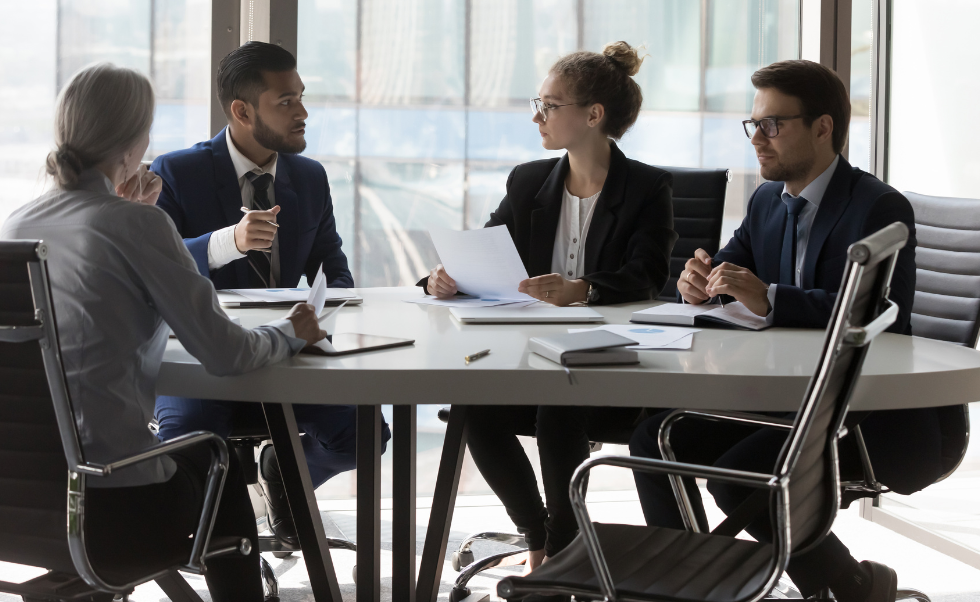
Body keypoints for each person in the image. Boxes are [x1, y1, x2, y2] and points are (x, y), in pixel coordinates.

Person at [1, 63, 326, 602]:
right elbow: (225, 353)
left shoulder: (18, 225)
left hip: (23, 504)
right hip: (112, 506)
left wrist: (133, 217)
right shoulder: (136, 225)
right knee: (215, 462)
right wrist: (290, 331)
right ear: (134, 142)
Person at [630, 59, 947, 602]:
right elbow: (727, 270)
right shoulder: (766, 202)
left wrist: (770, 297)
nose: (757, 139)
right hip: (782, 399)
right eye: (753, 125)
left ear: (823, 128)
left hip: (866, 413)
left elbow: (877, 310)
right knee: (653, 439)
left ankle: (848, 584)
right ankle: (690, 584)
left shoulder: (877, 207)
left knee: (737, 477)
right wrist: (697, 281)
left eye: (773, 125)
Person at [422, 42, 677, 576]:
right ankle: (537, 535)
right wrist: (443, 278)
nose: (538, 116)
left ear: (593, 115)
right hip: (532, 352)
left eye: (549, 105)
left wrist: (581, 289)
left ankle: (561, 554)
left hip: (616, 366)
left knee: (559, 407)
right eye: (537, 103)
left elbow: (649, 275)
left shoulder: (647, 187)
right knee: (471, 407)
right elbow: (488, 250)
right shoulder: (529, 180)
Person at [151, 41, 387, 551]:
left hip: (289, 351)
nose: (303, 112)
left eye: (301, 97)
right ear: (241, 111)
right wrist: (225, 243)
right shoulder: (175, 173)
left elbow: (334, 268)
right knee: (189, 444)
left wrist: (329, 309)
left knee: (367, 435)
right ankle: (220, 538)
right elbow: (155, 268)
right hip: (204, 356)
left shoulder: (309, 176)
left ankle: (286, 470)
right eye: (287, 101)